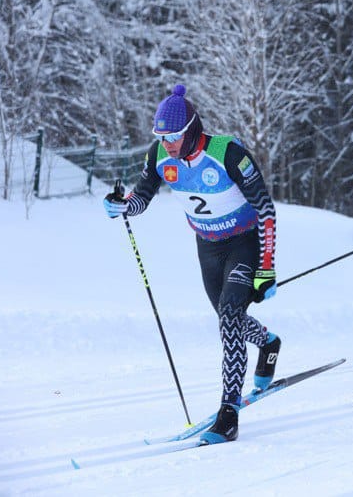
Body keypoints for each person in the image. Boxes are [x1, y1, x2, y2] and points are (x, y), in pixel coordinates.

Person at [103, 84, 280, 445]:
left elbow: (265, 209)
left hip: (243, 242)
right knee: (228, 319)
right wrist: (123, 205)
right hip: (208, 247)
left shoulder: (226, 153)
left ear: (192, 129)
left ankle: (228, 412)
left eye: (173, 136)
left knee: (230, 315)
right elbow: (143, 196)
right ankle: (269, 342)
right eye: (162, 136)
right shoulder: (159, 155)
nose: (167, 143)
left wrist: (266, 267)